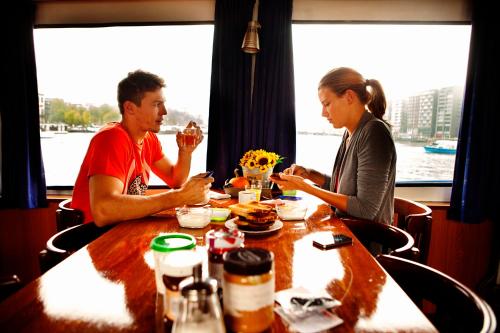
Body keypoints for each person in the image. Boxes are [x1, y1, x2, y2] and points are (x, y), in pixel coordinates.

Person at [71, 70, 213, 226]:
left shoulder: (149, 139)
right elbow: (103, 210)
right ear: (130, 108)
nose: (164, 111)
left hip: (121, 229)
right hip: (93, 238)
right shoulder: (111, 138)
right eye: (157, 104)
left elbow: (175, 179)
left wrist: (185, 152)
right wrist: (179, 197)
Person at [273, 67, 396, 224]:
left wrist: (305, 187)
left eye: (327, 104)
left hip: (366, 241)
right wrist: (308, 174)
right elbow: (341, 189)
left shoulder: (374, 132)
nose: (323, 113)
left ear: (349, 97)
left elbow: (366, 209)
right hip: (346, 229)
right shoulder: (350, 133)